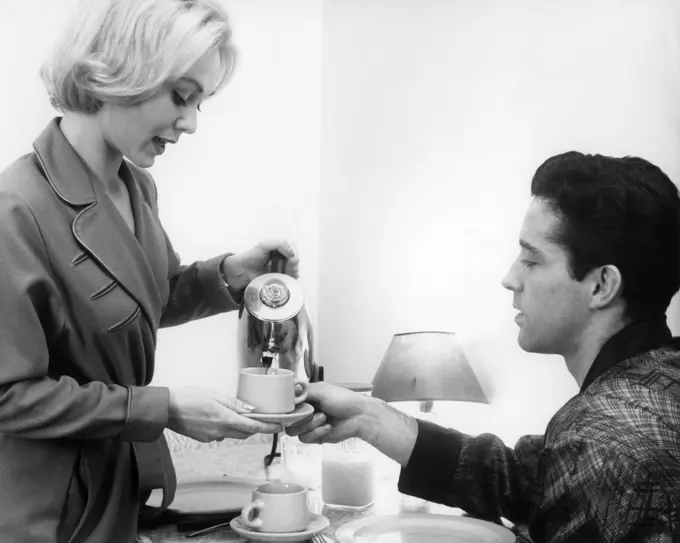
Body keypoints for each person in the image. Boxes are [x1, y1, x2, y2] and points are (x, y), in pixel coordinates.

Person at [0, 0, 296, 541]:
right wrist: (160, 408)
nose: (190, 123)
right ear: (116, 70)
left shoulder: (136, 188)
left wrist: (230, 274)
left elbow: (134, 304)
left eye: (200, 103)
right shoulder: (14, 211)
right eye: (181, 96)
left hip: (125, 488)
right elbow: (8, 395)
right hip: (51, 509)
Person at [288, 152, 680, 542]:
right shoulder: (656, 381)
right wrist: (368, 416)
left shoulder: (606, 442)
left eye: (532, 260)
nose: (510, 278)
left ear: (601, 285)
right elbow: (525, 483)